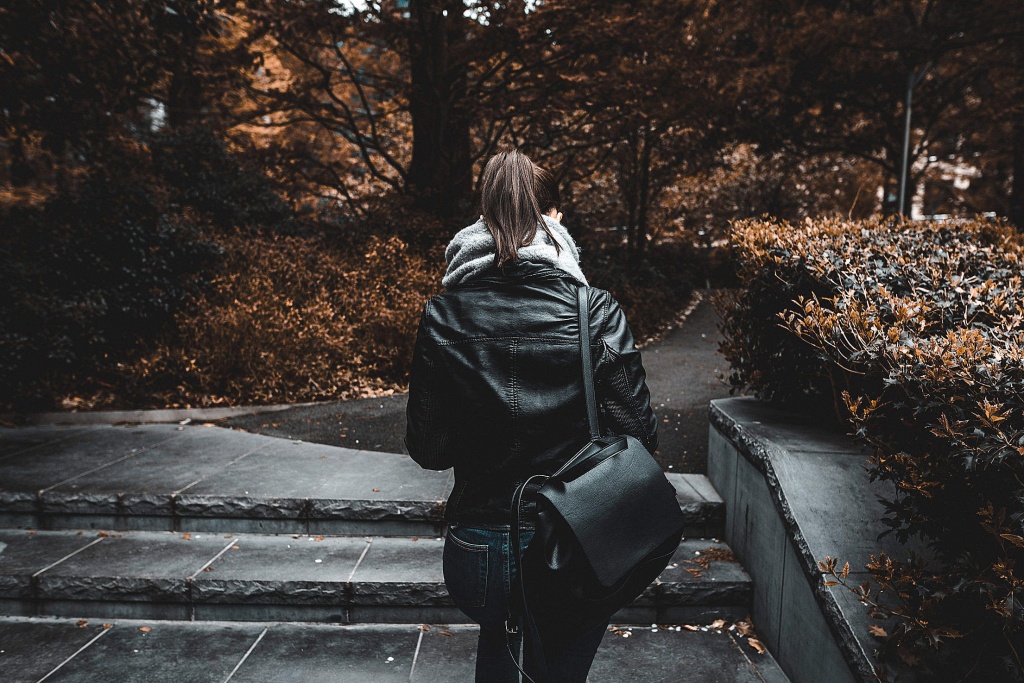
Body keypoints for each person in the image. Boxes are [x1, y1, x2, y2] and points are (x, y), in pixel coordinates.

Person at [405, 149, 658, 682]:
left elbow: (429, 449)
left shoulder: (443, 315)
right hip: (576, 539)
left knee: (500, 650)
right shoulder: (594, 310)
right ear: (552, 218)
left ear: (481, 217)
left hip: (479, 548)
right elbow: (638, 436)